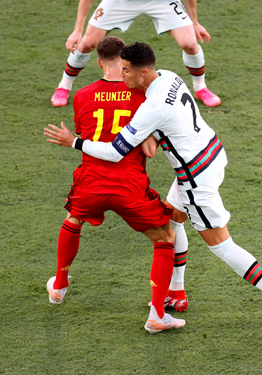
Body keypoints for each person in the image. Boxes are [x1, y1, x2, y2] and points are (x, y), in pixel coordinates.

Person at [45, 42, 262, 330]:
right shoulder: (169, 76)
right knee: (172, 219)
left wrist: (74, 142)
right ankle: (176, 293)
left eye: (127, 71)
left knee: (221, 245)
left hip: (195, 179)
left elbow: (116, 152)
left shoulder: (151, 108)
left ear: (143, 72)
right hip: (212, 152)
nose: (123, 77)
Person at [46, 36, 186, 334]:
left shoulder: (82, 95)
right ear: (125, 64)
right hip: (129, 186)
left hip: (91, 183)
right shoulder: (141, 96)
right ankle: (157, 314)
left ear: (98, 62)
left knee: (73, 220)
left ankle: (59, 285)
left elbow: (88, 141)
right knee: (164, 238)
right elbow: (149, 151)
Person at [50, 0, 221, 108]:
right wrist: (77, 30)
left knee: (190, 44)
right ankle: (63, 87)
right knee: (87, 43)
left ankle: (200, 89)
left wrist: (195, 22)